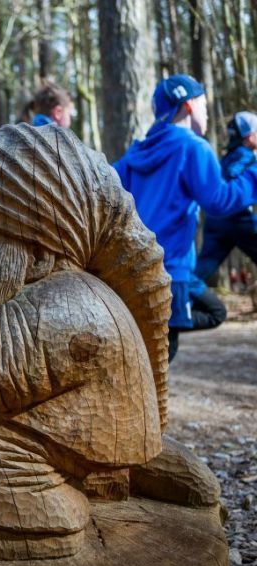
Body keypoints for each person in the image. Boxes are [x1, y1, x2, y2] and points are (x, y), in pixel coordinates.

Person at [113, 74, 257, 362]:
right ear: (189, 105)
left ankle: (172, 322)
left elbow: (110, 186)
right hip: (170, 273)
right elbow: (218, 201)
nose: (206, 113)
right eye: (204, 105)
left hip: (133, 268)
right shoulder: (193, 147)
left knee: (153, 351)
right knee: (161, 358)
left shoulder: (136, 152)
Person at [195, 112, 257, 283]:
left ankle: (183, 298)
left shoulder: (228, 156)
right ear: (249, 136)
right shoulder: (245, 155)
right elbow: (232, 175)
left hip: (215, 221)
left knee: (202, 270)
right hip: (238, 219)